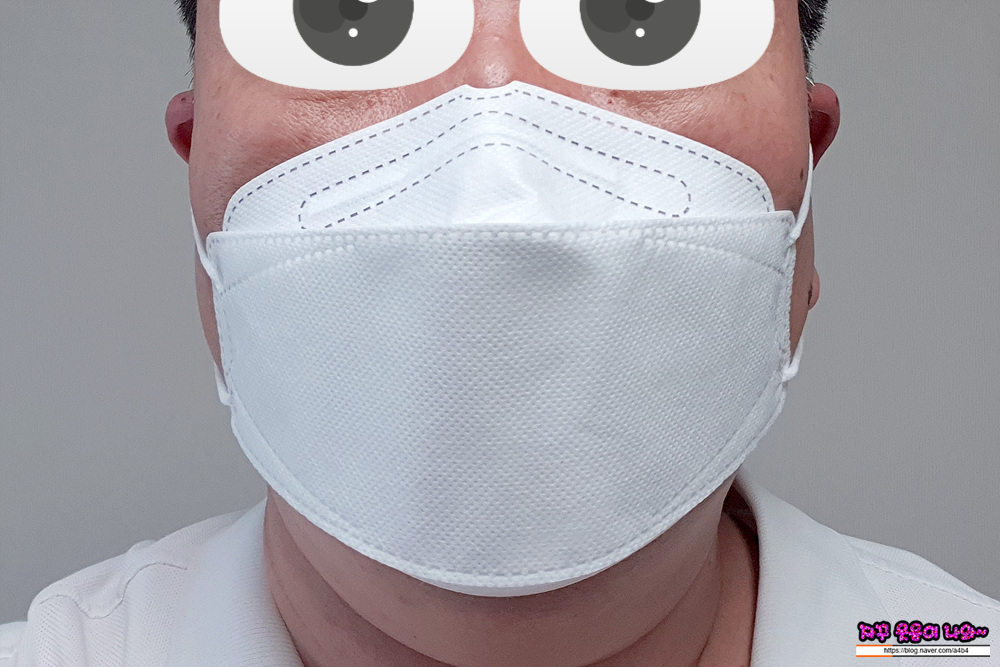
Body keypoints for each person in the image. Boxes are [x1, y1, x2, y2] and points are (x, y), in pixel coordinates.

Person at [1, 1, 998, 666]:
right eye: (349, 14)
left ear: (805, 181)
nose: (497, 168)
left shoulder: (939, 644)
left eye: (641, 12)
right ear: (199, 169)